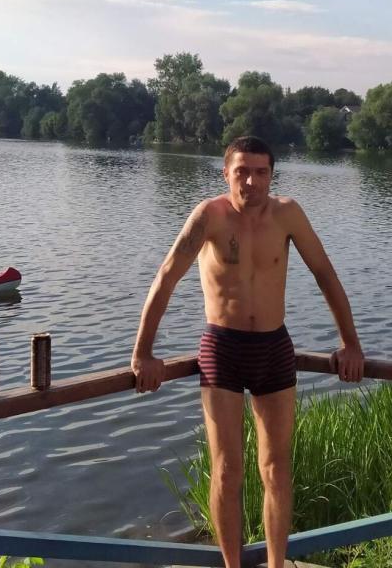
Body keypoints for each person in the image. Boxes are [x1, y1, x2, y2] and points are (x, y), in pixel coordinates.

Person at [130, 135, 364, 568]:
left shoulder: (288, 214)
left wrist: (351, 344)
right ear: (226, 173)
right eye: (242, 171)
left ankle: (276, 563)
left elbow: (325, 273)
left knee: (276, 469)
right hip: (223, 348)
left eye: (261, 172)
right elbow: (166, 277)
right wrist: (143, 352)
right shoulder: (210, 215)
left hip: (273, 348)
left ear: (272, 176)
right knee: (227, 470)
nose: (251, 182)